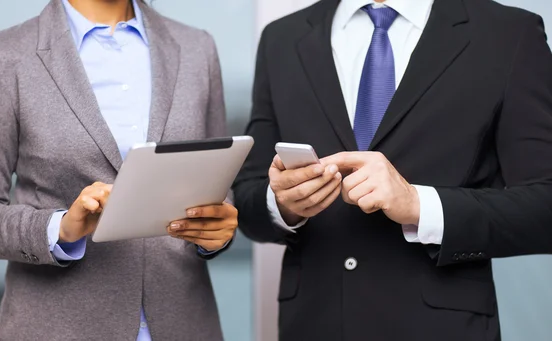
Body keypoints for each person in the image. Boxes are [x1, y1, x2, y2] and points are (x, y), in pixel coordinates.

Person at [233, 0, 552, 340]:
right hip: (312, 325)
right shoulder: (282, 38)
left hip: (440, 330)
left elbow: (544, 206)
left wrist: (419, 204)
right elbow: (249, 200)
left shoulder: (508, 33)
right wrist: (283, 205)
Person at [0, 0, 236, 339]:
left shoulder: (197, 47)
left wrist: (214, 232)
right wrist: (59, 228)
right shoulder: (5, 54)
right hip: (56, 327)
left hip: (185, 323)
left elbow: (218, 184)